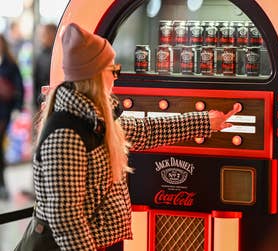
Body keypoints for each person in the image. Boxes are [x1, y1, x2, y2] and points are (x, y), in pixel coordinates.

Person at [17, 23, 241, 251]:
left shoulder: (95, 119)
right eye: (113, 70)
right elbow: (66, 220)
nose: (116, 78)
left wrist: (206, 121)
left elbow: (147, 131)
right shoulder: (66, 133)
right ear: (95, 75)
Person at [0, 34, 24, 200]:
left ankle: (2, 185)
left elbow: (19, 89)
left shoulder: (10, 65)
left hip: (3, 112)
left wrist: (16, 109)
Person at [33, 23, 57, 109]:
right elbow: (37, 81)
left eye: (44, 34)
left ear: (53, 34)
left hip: (54, 101)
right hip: (43, 101)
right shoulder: (41, 55)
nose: (41, 37)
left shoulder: (58, 54)